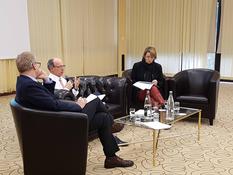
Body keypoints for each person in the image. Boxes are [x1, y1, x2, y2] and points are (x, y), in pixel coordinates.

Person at [15, 51, 134, 168]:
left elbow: (49, 99)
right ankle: (112, 123)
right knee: (96, 102)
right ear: (33, 65)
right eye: (37, 64)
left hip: (54, 120)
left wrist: (46, 80)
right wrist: (77, 105)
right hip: (60, 125)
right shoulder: (29, 86)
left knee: (103, 118)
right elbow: (54, 104)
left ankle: (111, 158)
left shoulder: (24, 82)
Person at [47, 57, 127, 145]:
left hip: (76, 106)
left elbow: (70, 97)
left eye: (63, 66)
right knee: (96, 100)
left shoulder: (62, 79)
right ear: (51, 68)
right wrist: (66, 88)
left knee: (104, 116)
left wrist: (75, 88)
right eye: (59, 66)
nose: (62, 68)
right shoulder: (49, 82)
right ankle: (112, 124)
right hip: (69, 114)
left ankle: (111, 153)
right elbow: (59, 99)